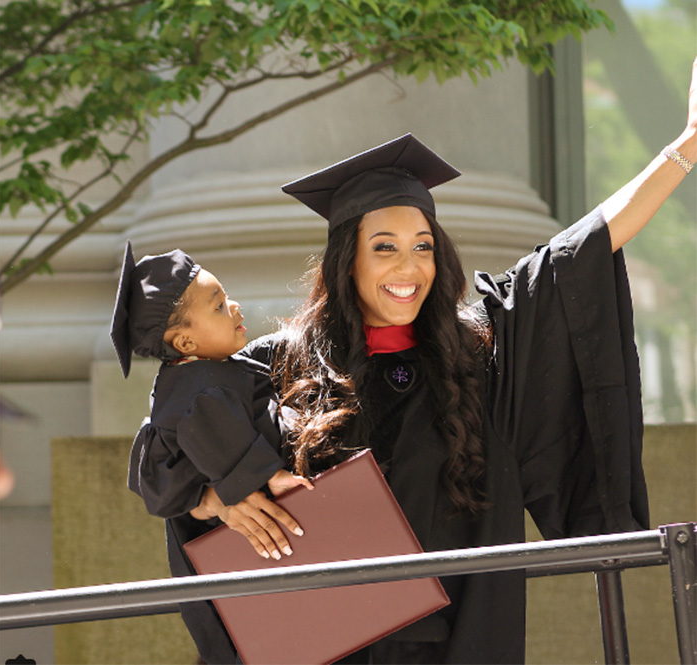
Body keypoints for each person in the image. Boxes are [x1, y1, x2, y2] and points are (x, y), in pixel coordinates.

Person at [187, 58, 697, 664]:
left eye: (423, 247)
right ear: (347, 261)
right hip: (328, 644)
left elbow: (577, 253)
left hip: (456, 641)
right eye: (385, 249)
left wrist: (685, 149)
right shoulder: (280, 366)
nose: (409, 269)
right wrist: (218, 497)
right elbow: (166, 441)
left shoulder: (477, 353)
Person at [109, 243, 312, 662]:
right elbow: (220, 436)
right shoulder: (200, 387)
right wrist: (273, 476)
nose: (235, 307)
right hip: (238, 558)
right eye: (219, 306)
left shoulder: (201, 375)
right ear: (185, 341)